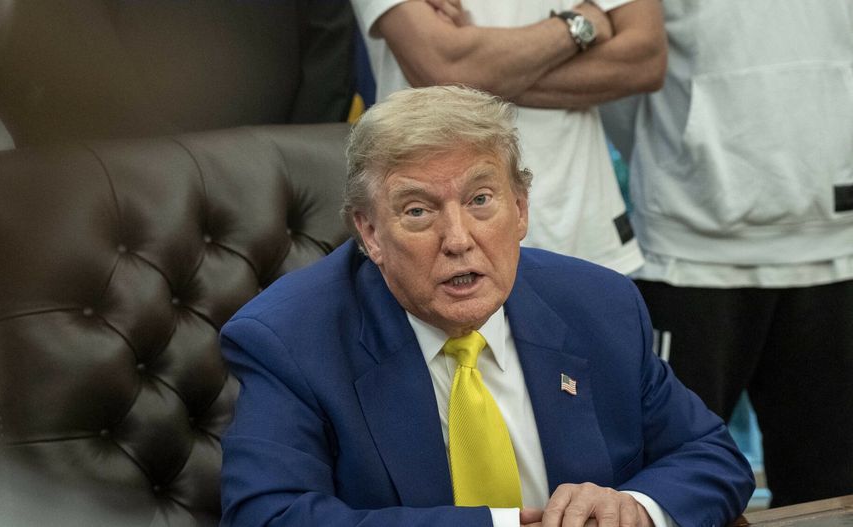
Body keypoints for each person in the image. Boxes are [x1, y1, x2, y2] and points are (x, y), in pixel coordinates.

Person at [220, 86, 754, 527]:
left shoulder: (599, 304)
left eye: (480, 200)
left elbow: (711, 456)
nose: (458, 239)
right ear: (370, 232)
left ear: (520, 209)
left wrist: (635, 508)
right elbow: (268, 516)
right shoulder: (290, 338)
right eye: (417, 211)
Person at [602, 0, 853, 508]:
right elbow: (623, 80)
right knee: (671, 487)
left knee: (831, 490)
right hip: (688, 256)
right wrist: (681, 171)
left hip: (836, 251)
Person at [348, 0, 667, 275]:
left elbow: (644, 59)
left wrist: (481, 70)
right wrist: (580, 24)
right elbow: (443, 65)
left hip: (585, 228)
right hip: (444, 238)